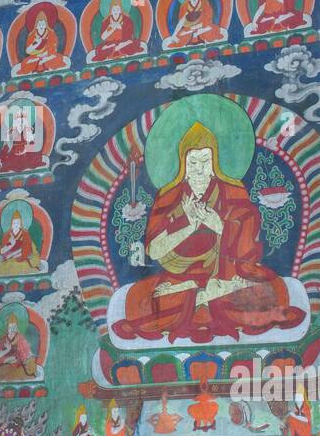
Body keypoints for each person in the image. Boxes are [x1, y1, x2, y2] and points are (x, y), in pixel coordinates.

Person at [113, 122, 305, 343]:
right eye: (192, 162)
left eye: (205, 161)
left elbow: (248, 247)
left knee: (274, 290)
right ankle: (200, 295)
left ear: (214, 162)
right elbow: (155, 251)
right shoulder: (168, 197)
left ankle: (200, 297)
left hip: (229, 277)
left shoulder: (233, 191)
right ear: (183, 163)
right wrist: (189, 225)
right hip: (179, 280)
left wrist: (219, 225)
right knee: (139, 301)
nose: (199, 168)